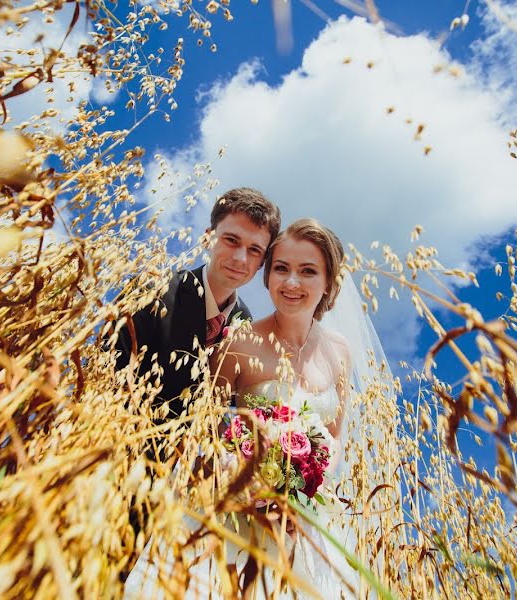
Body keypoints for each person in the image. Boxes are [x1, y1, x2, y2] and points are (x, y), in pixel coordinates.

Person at [114, 188, 281, 584]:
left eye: (255, 250)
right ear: (208, 237)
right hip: (122, 473)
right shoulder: (153, 288)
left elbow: (239, 417)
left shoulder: (249, 327)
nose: (241, 258)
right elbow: (113, 376)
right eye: (231, 240)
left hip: (193, 500)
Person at [211, 218, 371, 599]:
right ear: (267, 277)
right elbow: (207, 432)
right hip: (240, 516)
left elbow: (332, 439)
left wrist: (306, 494)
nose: (291, 282)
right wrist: (252, 489)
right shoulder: (239, 342)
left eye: (307, 271)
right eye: (281, 269)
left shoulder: (340, 352)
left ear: (329, 284)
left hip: (310, 522)